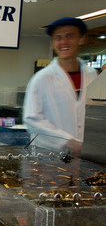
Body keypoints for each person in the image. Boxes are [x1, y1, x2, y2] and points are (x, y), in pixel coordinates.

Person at [23, 17, 98, 156]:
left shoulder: (92, 75)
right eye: (58, 38)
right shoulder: (41, 79)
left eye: (69, 36)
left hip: (88, 155)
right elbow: (32, 120)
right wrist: (66, 141)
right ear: (53, 42)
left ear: (82, 39)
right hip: (50, 158)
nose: (63, 42)